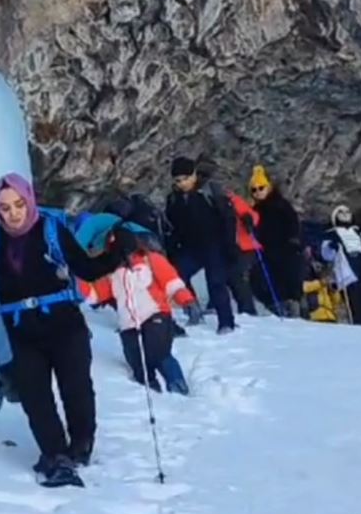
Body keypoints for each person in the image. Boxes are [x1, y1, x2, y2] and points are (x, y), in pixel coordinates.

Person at [0, 174, 128, 484]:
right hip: (21, 332)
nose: (13, 213)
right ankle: (56, 455)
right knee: (36, 397)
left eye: (19, 204)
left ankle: (81, 445)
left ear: (29, 200)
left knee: (76, 389)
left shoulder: (51, 230)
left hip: (65, 326)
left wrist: (117, 252)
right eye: (5, 208)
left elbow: (87, 268)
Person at [84, 226, 193, 394]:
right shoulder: (111, 272)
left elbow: (171, 282)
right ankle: (151, 390)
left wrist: (186, 300)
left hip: (156, 314)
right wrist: (78, 279)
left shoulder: (150, 260)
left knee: (158, 353)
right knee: (136, 361)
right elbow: (95, 295)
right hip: (128, 324)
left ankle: (177, 385)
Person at [164, 157, 238, 333]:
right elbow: (174, 226)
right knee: (177, 277)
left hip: (215, 244)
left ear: (194, 175)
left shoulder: (209, 192)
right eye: (178, 180)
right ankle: (192, 309)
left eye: (185, 178)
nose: (182, 183)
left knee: (216, 282)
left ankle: (226, 322)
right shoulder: (174, 199)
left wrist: (230, 245)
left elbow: (228, 219)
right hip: (191, 247)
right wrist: (172, 249)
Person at [247, 165, 304, 317]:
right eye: (254, 190)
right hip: (268, 250)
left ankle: (293, 307)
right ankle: (276, 306)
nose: (258, 192)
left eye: (261, 188)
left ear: (268, 187)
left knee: (289, 279)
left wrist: (294, 240)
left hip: (286, 248)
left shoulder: (281, 204)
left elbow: (293, 222)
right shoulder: (256, 210)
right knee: (267, 279)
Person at [319, 204, 361, 326]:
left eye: (348, 212)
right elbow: (326, 255)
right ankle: (358, 322)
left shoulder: (359, 233)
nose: (346, 214)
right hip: (348, 268)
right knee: (355, 298)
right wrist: (331, 247)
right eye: (342, 212)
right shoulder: (331, 234)